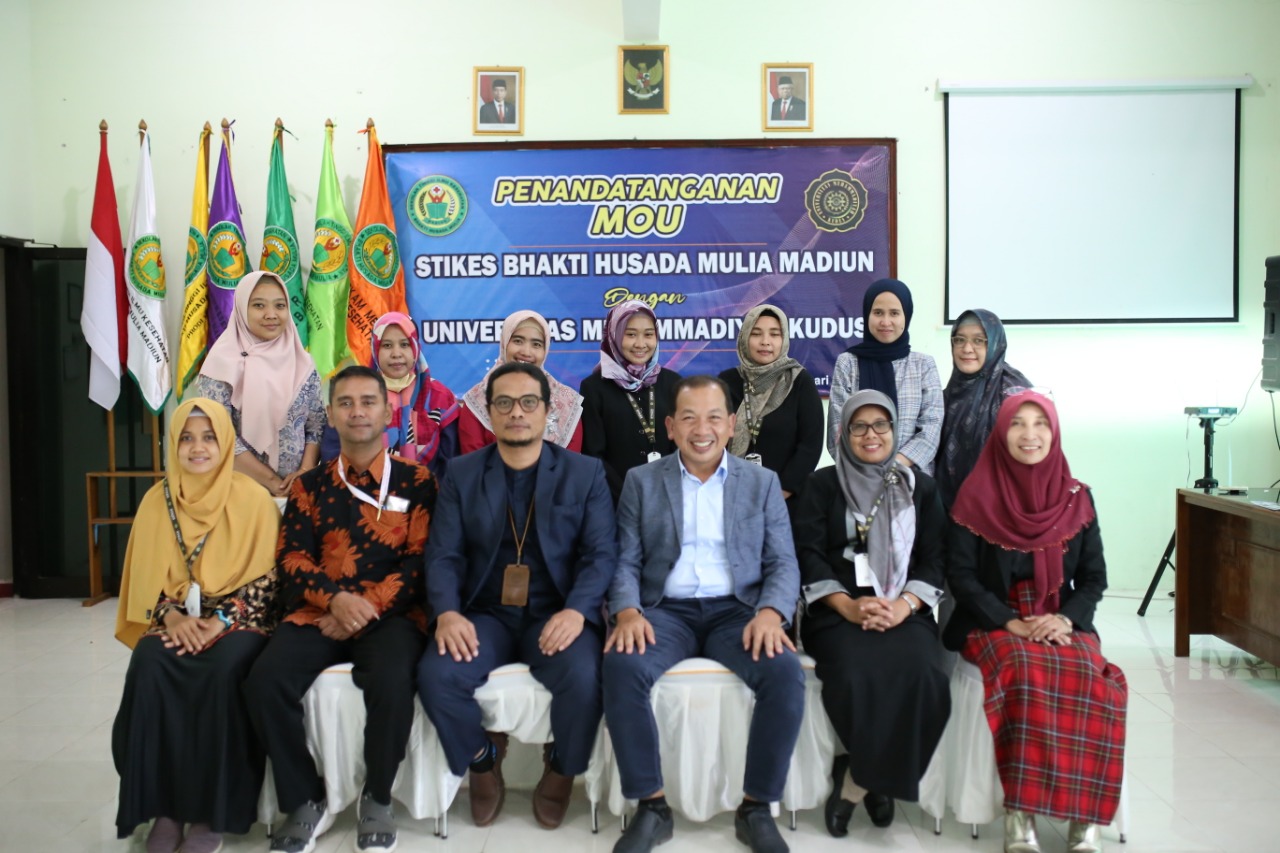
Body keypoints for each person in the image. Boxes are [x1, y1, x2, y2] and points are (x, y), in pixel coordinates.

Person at [604, 375, 805, 853]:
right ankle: (651, 807)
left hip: (738, 611)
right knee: (622, 666)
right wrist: (628, 611)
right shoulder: (641, 481)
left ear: (731, 424)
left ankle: (756, 807)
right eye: (689, 418)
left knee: (784, 673)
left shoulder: (762, 483)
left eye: (714, 417)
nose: (702, 430)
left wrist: (771, 613)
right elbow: (625, 559)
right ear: (670, 427)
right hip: (665, 610)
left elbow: (783, 561)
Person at [244, 365, 436, 853]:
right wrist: (336, 600)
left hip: (390, 615)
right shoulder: (308, 486)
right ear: (330, 415)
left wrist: (364, 606)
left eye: (368, 401)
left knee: (393, 678)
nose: (357, 412)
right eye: (345, 403)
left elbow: (420, 561)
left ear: (388, 411)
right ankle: (304, 798)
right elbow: (292, 558)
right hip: (319, 612)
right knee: (264, 681)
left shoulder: (417, 481)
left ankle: (378, 797)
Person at [419, 362, 617, 829]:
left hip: (555, 612)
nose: (517, 413)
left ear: (548, 412)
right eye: (504, 403)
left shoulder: (584, 473)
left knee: (585, 677)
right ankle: (483, 760)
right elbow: (443, 554)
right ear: (488, 412)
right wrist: (447, 613)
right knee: (437, 675)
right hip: (484, 614)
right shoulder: (462, 474)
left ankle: (562, 768)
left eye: (529, 402)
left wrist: (577, 611)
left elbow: (600, 554)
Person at [946, 391, 1126, 853]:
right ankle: (1020, 814)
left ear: (1054, 432)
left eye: (1040, 423)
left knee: (1089, 675)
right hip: (993, 617)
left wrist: (1065, 619)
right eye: (1017, 424)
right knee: (1026, 673)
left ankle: (1084, 817)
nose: (1030, 434)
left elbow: (1094, 578)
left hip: (1060, 615)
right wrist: (1011, 622)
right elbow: (962, 577)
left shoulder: (1077, 498)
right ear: (1001, 432)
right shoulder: (977, 495)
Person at [112, 398, 280, 853]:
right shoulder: (156, 501)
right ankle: (164, 810)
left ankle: (211, 814)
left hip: (240, 619)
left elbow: (269, 578)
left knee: (224, 668)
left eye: (209, 437)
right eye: (186, 438)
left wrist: (220, 621)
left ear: (226, 443)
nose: (198, 447)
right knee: (152, 661)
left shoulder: (253, 499)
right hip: (175, 616)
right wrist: (170, 616)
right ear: (172, 444)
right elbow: (144, 575)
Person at [793, 390, 950, 836]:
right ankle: (879, 780)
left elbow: (936, 559)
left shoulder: (921, 488)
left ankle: (858, 782)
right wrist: (847, 604)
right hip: (838, 610)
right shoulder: (822, 485)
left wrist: (903, 606)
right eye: (859, 426)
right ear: (843, 433)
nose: (871, 435)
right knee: (853, 674)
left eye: (881, 425)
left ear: (895, 430)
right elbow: (808, 554)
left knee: (927, 676)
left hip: (904, 607)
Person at [195, 270, 326, 497]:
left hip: (299, 493)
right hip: (238, 493)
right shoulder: (220, 366)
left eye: (280, 306)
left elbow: (316, 427)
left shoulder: (303, 363)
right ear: (241, 309)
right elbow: (219, 434)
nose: (271, 314)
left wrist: (305, 474)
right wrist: (274, 484)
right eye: (258, 305)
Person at [320, 311, 460, 481]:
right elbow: (333, 453)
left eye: (405, 344)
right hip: (363, 492)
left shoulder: (439, 396)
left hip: (429, 493)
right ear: (375, 349)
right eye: (386, 345)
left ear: (416, 348)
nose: (396, 353)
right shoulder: (355, 395)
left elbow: (452, 462)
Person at [827, 278, 943, 474]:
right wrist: (867, 474)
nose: (885, 322)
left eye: (894, 313)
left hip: (912, 479)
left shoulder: (923, 365)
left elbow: (931, 428)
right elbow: (836, 430)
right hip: (857, 478)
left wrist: (893, 467)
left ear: (906, 316)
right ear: (867, 314)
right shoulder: (848, 363)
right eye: (878, 312)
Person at [719, 304, 823, 505]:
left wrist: (781, 492)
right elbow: (715, 439)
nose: (765, 341)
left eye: (774, 334)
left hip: (786, 501)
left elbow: (811, 444)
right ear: (744, 337)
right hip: (732, 496)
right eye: (756, 333)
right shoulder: (726, 381)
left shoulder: (798, 381)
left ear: (784, 339)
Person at [580, 300, 681, 502]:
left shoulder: (674, 383)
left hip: (668, 498)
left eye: (648, 335)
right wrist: (627, 495)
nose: (640, 344)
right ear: (614, 336)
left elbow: (682, 446)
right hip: (614, 502)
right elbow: (593, 455)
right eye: (631, 334)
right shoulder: (594, 388)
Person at [937, 308, 1031, 509]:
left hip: (1002, 511)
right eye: (959, 340)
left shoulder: (1015, 394)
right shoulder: (949, 394)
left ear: (995, 343)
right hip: (949, 513)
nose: (967, 348)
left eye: (979, 341)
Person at [459, 310, 584, 454]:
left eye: (536, 344)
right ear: (505, 343)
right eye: (518, 341)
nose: (526, 352)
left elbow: (571, 463)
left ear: (545, 351)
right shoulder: (477, 399)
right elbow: (473, 462)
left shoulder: (566, 403)